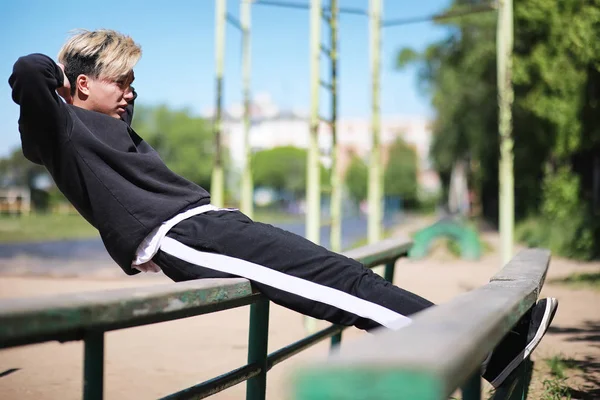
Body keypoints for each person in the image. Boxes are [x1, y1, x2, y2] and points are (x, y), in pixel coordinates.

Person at [9, 29, 557, 388]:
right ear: (79, 84)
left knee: (346, 275)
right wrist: (58, 82)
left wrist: (92, 86)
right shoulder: (60, 128)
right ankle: (487, 354)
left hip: (212, 223)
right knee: (343, 293)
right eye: (120, 82)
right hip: (183, 237)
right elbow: (29, 72)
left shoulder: (109, 123)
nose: (131, 92)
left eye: (133, 81)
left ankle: (496, 350)